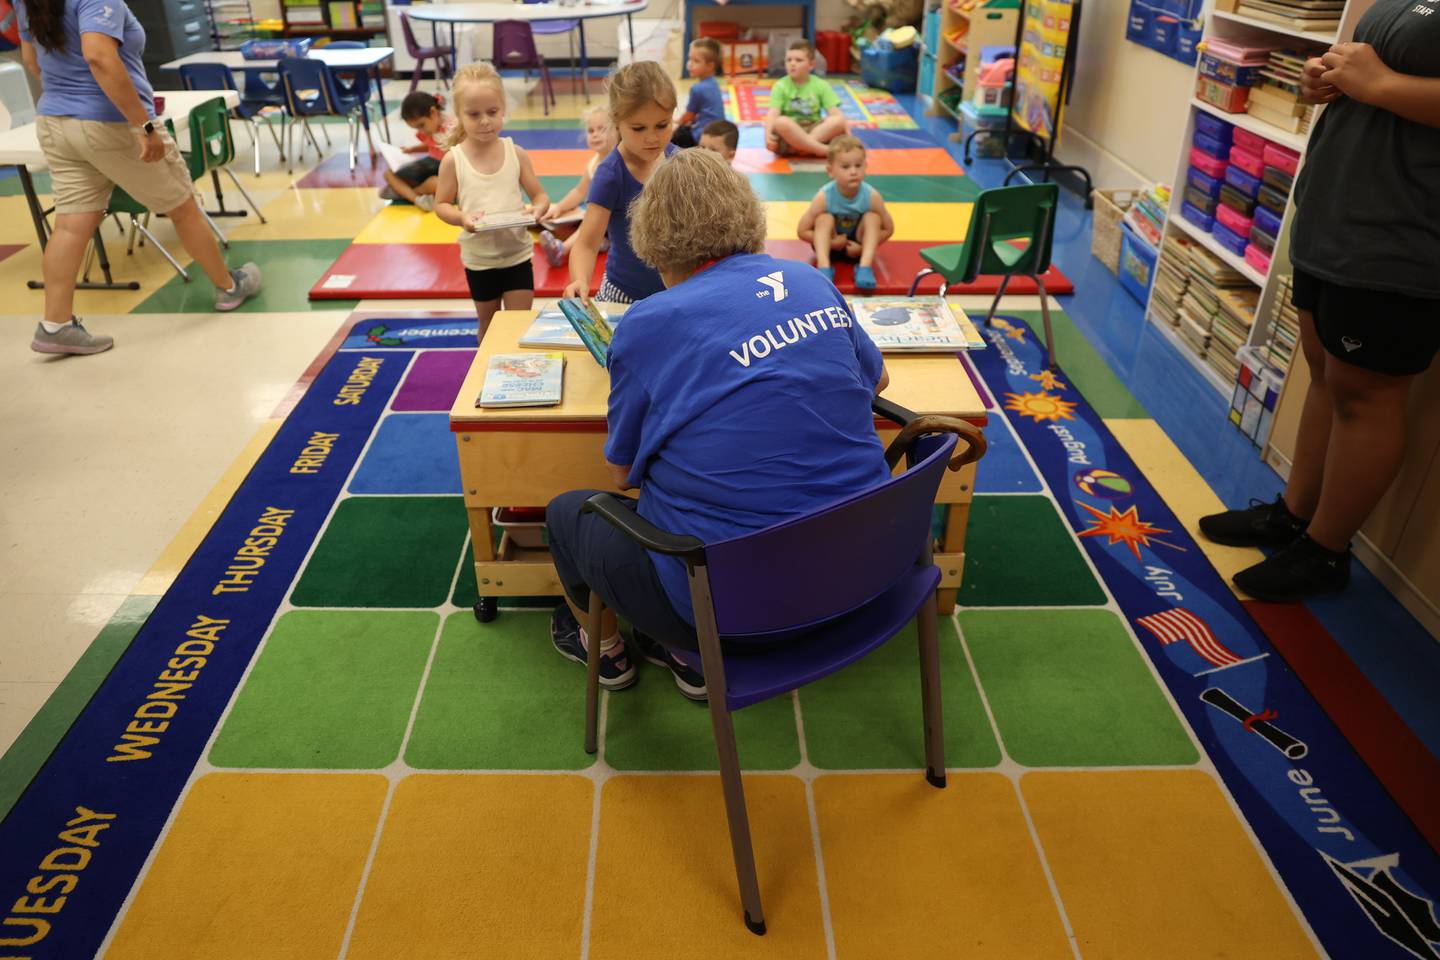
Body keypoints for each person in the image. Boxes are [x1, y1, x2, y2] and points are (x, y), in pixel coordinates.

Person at [545, 148, 892, 699]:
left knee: (568, 513)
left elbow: (620, 474)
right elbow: (876, 384)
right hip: (866, 573)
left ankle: (611, 650)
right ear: (747, 216)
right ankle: (682, 653)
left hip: (729, 610)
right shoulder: (809, 280)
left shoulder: (649, 322)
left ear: (650, 235)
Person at [1198, 0, 1440, 602]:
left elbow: (1389, 80)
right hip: (1338, 215)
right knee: (1325, 377)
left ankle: (1325, 552)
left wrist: (1379, 83)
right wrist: (1329, 77)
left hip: (1400, 235)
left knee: (1368, 396)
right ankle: (1294, 514)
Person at [17, 0, 261, 356]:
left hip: (56, 121)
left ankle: (55, 325)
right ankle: (229, 285)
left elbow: (32, 61)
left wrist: (70, 96)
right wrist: (141, 124)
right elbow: (98, 56)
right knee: (183, 206)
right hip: (110, 123)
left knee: (70, 223)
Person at [433, 63, 549, 342]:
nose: (485, 121)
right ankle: (486, 373)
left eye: (492, 112)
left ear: (503, 109)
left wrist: (537, 210)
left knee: (519, 325)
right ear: (458, 115)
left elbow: (540, 196)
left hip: (517, 256)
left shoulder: (516, 153)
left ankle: (515, 379)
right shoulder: (454, 159)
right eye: (474, 114)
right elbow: (441, 205)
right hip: (480, 261)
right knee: (488, 325)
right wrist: (463, 218)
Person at [563, 61, 678, 305]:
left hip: (676, 291)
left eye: (662, 125)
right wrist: (580, 280)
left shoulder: (680, 162)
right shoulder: (611, 175)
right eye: (638, 128)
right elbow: (586, 243)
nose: (652, 138)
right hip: (623, 293)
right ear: (617, 122)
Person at [796, 134, 894, 290]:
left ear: (865, 166)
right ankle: (824, 267)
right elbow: (802, 231)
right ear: (830, 171)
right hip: (829, 248)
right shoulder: (824, 197)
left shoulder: (871, 196)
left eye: (858, 165)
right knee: (824, 218)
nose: (853, 171)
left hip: (858, 249)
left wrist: (862, 248)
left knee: (873, 218)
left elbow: (888, 229)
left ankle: (864, 267)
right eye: (846, 167)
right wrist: (832, 243)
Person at [537, 103, 616, 268]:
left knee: (588, 222)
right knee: (558, 224)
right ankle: (597, 242)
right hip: (597, 220)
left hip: (611, 222)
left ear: (617, 131)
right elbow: (579, 192)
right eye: (591, 131)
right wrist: (558, 208)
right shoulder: (593, 163)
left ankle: (562, 250)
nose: (595, 135)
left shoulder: (617, 163)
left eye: (602, 129)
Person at [764, 39, 847, 157]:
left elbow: (836, 114)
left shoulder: (820, 85)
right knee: (781, 122)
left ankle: (802, 147)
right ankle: (823, 150)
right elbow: (773, 113)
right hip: (790, 134)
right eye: (788, 60)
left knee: (838, 121)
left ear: (811, 65)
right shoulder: (780, 85)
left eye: (798, 60)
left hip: (814, 129)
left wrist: (849, 138)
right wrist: (767, 135)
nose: (792, 63)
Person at [379, 90, 452, 212]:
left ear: (433, 112)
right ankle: (417, 199)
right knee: (388, 174)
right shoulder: (430, 128)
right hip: (432, 165)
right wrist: (412, 149)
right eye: (416, 128)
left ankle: (404, 193)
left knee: (434, 183)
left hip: (445, 171)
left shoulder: (451, 129)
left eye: (421, 125)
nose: (421, 131)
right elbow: (433, 145)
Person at [671, 37, 724, 149]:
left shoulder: (697, 88)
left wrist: (676, 123)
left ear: (710, 66)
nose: (690, 64)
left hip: (704, 134)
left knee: (675, 136)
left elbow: (689, 116)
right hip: (719, 130)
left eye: (696, 61)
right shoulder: (714, 83)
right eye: (689, 59)